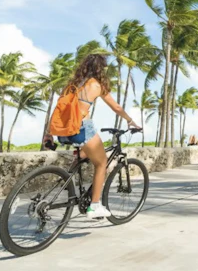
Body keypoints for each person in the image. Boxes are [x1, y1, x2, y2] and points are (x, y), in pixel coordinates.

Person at [44, 54, 140, 219]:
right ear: (100, 69)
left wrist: (48, 133)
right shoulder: (97, 85)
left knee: (86, 152)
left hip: (64, 131)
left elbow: (58, 109)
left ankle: (70, 176)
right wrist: (130, 121)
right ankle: (95, 206)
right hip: (82, 128)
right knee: (102, 163)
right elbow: (116, 107)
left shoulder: (71, 85)